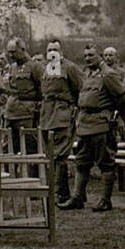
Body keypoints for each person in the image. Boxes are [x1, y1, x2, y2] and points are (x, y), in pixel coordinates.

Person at [60, 44, 125, 211]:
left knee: (106, 163)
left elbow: (124, 99)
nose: (87, 58)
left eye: (91, 55)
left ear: (99, 55)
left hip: (101, 125)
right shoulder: (87, 74)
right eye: (85, 55)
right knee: (81, 162)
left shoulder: (109, 75)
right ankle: (77, 198)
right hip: (85, 125)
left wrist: (122, 119)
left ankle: (106, 200)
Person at [40, 40, 82, 205]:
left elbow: (80, 88)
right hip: (46, 115)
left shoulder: (70, 67)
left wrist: (75, 110)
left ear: (61, 51)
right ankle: (53, 191)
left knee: (60, 155)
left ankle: (61, 194)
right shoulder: (44, 68)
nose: (52, 52)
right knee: (50, 155)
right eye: (49, 49)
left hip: (62, 113)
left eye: (55, 49)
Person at [3, 38, 44, 155]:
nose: (10, 55)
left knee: (30, 147)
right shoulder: (12, 67)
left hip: (26, 114)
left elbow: (42, 89)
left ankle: (33, 173)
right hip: (10, 113)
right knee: (9, 148)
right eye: (9, 52)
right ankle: (10, 173)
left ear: (23, 49)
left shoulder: (35, 67)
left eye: (13, 52)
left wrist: (37, 107)